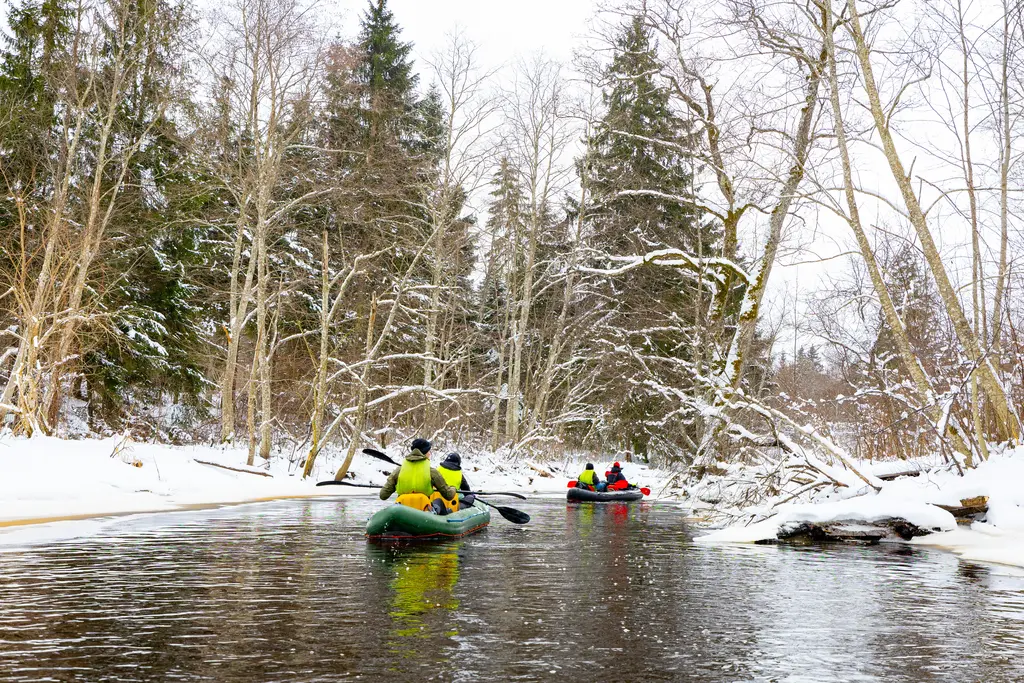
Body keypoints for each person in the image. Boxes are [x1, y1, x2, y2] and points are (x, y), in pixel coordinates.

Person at [379, 438, 457, 514]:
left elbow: (383, 495)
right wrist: (453, 488)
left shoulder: (398, 471)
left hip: (402, 511)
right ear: (425, 453)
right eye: (429, 451)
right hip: (424, 511)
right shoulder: (432, 472)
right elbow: (449, 495)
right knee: (439, 501)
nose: (430, 454)